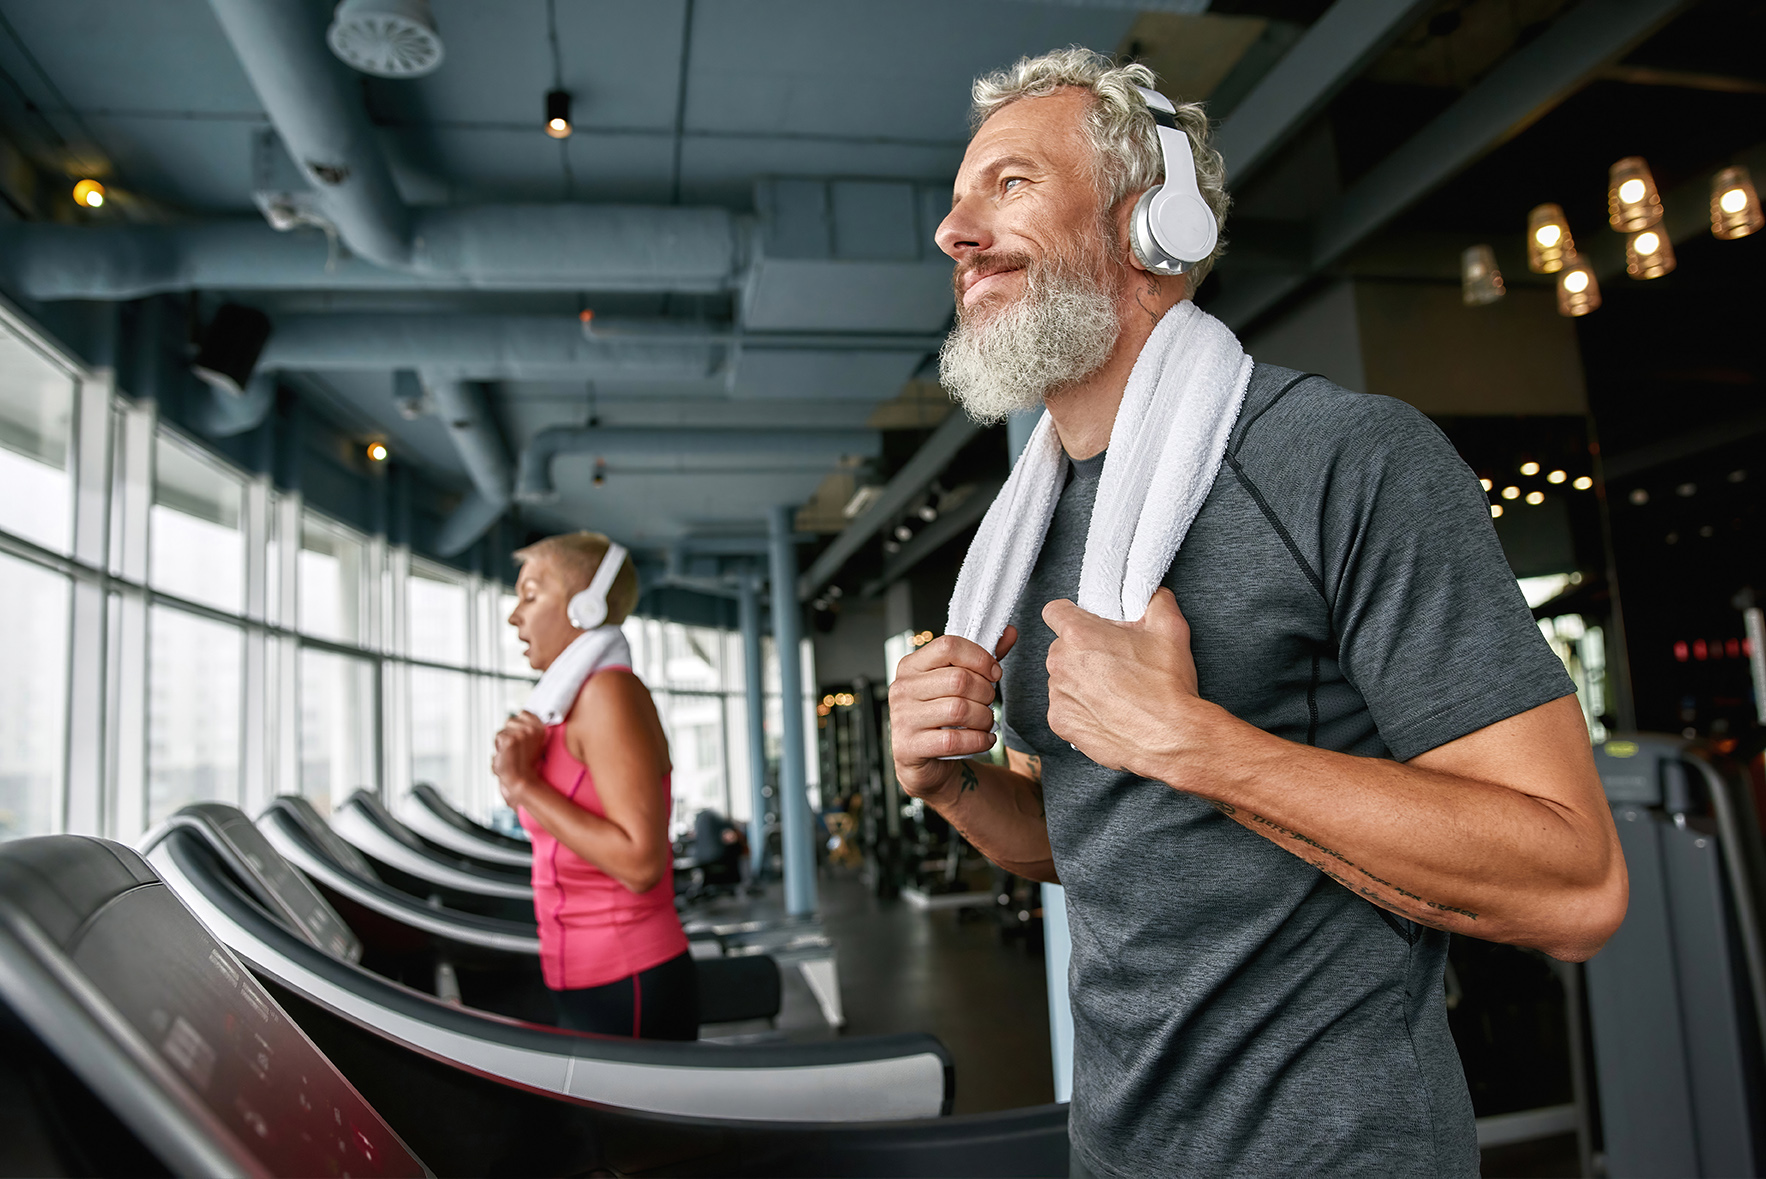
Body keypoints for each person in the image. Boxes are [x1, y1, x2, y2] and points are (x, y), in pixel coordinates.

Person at [888, 49, 1627, 1177]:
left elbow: (1574, 884)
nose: (953, 231)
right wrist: (951, 785)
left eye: (1011, 184)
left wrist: (1198, 745)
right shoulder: (1024, 531)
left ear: (1153, 227)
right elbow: (1096, 839)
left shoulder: (1342, 459)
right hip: (1120, 1151)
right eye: (955, 201)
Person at [493, 531, 697, 1039]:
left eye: (531, 594)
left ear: (584, 608)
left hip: (627, 974)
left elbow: (640, 863)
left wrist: (523, 785)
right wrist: (521, 778)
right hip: (583, 973)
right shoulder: (568, 707)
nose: (514, 615)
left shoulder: (609, 693)